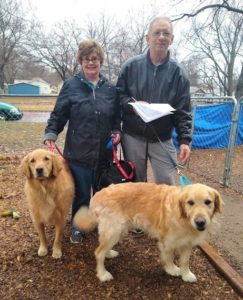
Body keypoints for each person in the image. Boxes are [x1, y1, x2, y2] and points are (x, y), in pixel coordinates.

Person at [44, 40, 121, 243]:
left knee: (103, 192)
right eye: (86, 59)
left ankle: (99, 223)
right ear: (81, 61)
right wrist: (51, 134)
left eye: (94, 59)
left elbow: (115, 117)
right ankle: (78, 226)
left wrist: (116, 131)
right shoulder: (71, 86)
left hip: (103, 153)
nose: (90, 63)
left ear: (101, 61)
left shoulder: (110, 89)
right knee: (81, 194)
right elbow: (58, 114)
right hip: (78, 153)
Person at [117, 16, 192, 188]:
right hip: (133, 135)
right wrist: (133, 107)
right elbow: (118, 96)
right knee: (135, 183)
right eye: (156, 32)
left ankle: (166, 216)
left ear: (172, 39)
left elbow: (184, 112)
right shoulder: (130, 66)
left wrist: (184, 141)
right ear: (147, 38)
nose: (161, 37)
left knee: (166, 185)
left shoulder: (179, 74)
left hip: (162, 138)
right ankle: (138, 215)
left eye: (166, 33)